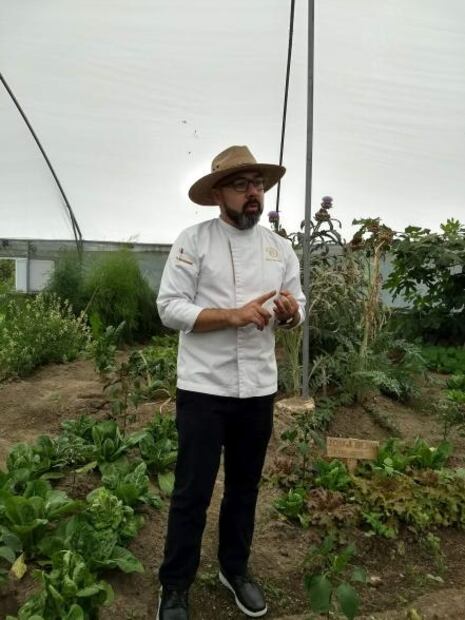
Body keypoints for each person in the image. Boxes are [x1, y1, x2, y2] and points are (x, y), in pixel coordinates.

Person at [156, 145, 306, 619]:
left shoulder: (279, 248)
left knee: (245, 487)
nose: (252, 193)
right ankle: (175, 585)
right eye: (241, 185)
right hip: (204, 387)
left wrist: (291, 313)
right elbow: (170, 307)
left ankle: (234, 569)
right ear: (218, 194)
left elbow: (298, 306)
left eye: (257, 184)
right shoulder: (194, 241)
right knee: (192, 490)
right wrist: (232, 315)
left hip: (258, 389)